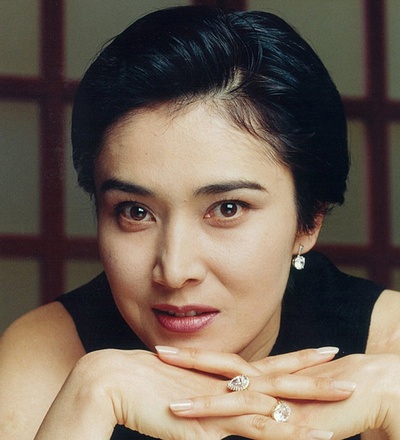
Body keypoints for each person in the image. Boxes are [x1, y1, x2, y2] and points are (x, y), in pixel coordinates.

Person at [1, 5, 400, 440]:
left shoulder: (390, 351)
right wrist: (88, 400)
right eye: (135, 211)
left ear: (309, 221)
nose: (174, 271)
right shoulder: (46, 359)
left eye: (227, 209)